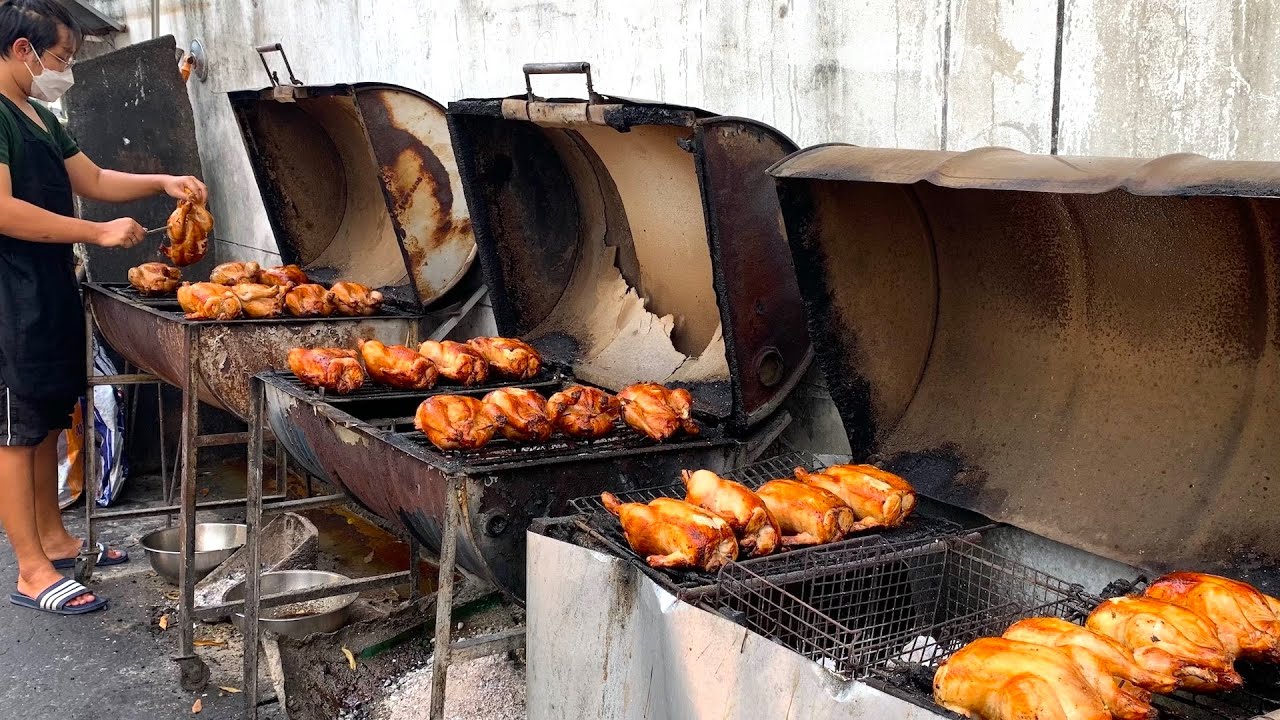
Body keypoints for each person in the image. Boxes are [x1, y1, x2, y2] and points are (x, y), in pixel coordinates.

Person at [0, 0, 207, 614]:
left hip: (46, 283)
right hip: (9, 292)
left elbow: (90, 178)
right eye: (60, 58)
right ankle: (31, 570)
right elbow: (3, 210)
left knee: (44, 419)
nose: (63, 69)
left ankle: (55, 540)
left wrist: (162, 182)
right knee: (15, 432)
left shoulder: (35, 112)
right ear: (21, 51)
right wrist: (93, 234)